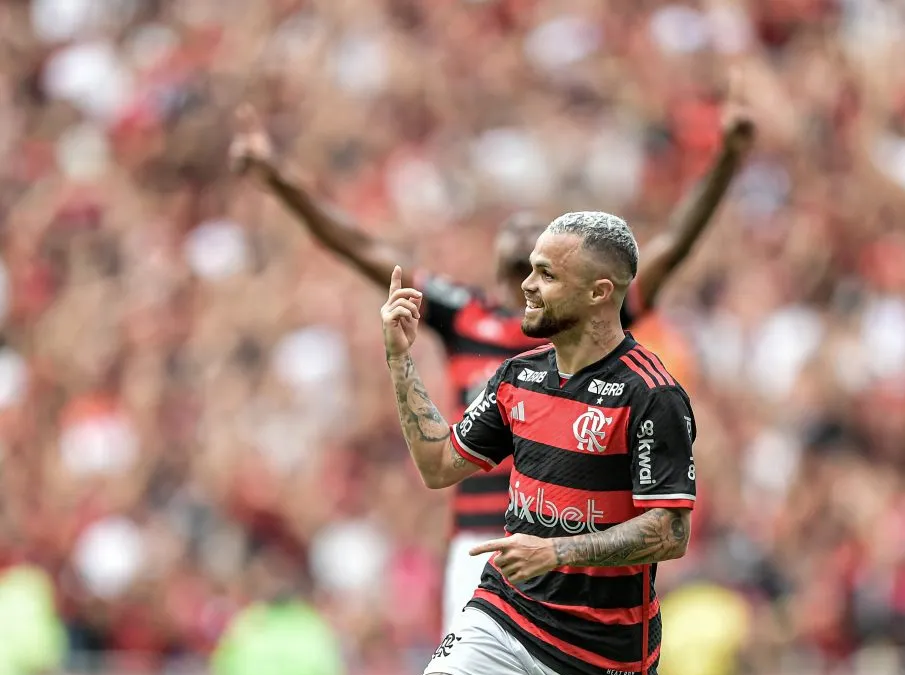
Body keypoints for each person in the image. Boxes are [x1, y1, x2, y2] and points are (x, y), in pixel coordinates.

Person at [229, 73, 754, 633]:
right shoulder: (462, 314)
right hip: (481, 542)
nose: (527, 231)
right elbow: (358, 246)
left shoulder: (591, 323)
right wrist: (277, 179)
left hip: (568, 538)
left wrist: (726, 158)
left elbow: (673, 247)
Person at [382, 210, 700, 675]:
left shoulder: (651, 394)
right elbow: (438, 464)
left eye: (546, 274)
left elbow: (671, 532)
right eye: (531, 269)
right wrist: (399, 358)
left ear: (599, 293)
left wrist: (557, 552)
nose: (526, 286)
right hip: (505, 612)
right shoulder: (519, 376)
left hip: (598, 653)